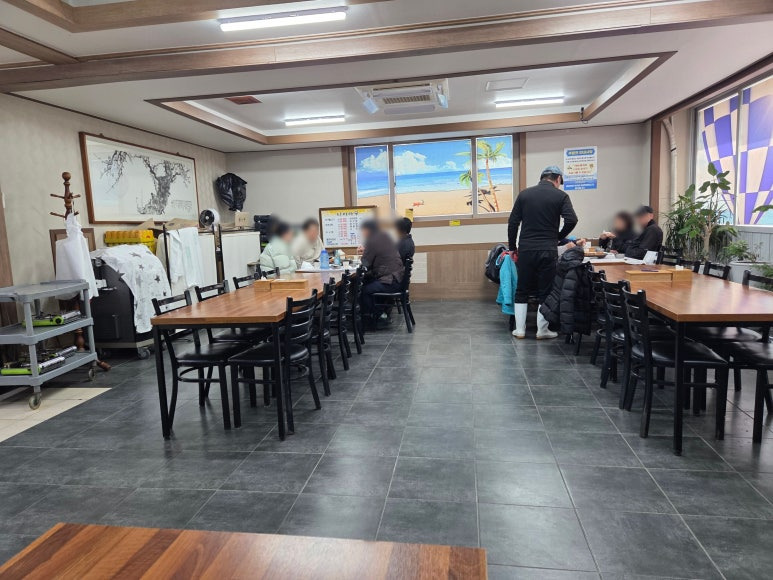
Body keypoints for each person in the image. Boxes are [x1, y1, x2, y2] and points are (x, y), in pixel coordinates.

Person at [508, 165, 578, 340]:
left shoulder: (524, 194)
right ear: (558, 179)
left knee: (522, 289)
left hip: (526, 249)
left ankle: (520, 330)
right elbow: (572, 220)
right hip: (548, 249)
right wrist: (557, 237)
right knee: (545, 290)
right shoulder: (560, 196)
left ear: (542, 178)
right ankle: (542, 330)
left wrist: (512, 248)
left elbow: (513, 223)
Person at [359, 220, 405, 327]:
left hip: (390, 281)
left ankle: (377, 317)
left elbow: (365, 263)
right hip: (398, 279)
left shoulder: (371, 240)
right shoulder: (385, 237)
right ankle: (381, 313)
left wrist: (362, 255)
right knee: (369, 283)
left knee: (364, 290)